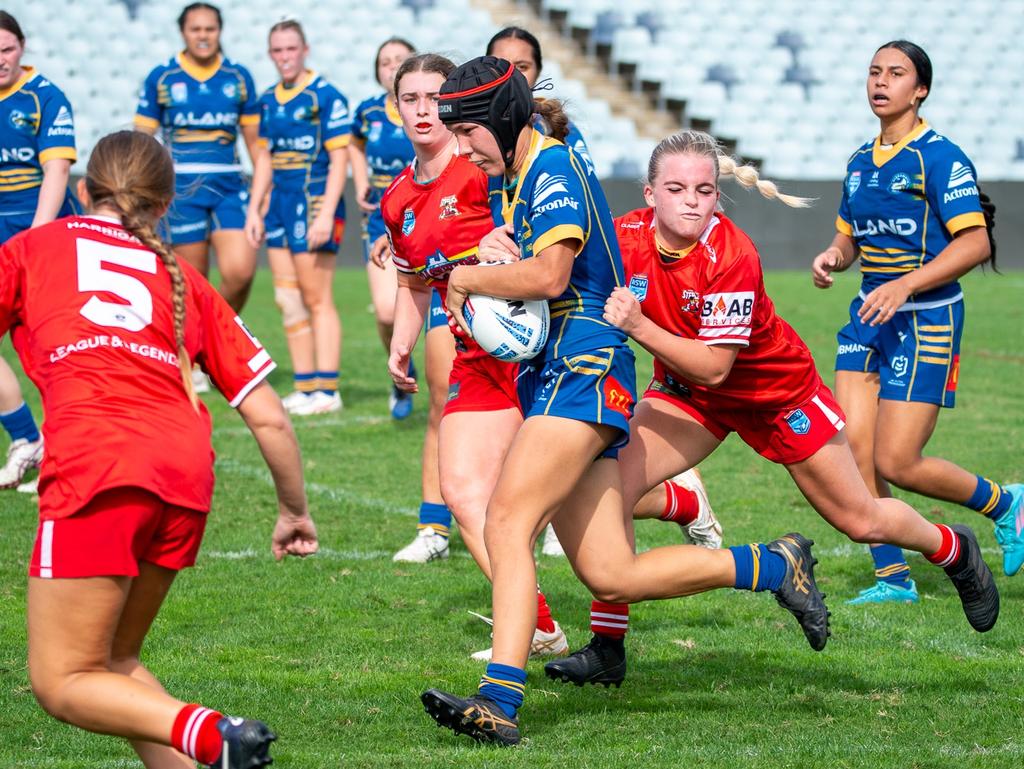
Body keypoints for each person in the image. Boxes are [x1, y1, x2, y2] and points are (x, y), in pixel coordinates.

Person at [418, 60, 838, 747]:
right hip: (564, 366)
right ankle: (772, 563)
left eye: (467, 131)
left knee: (506, 520)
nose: (462, 147)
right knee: (610, 571)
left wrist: (469, 275)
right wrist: (493, 252)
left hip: (582, 364)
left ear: (498, 117)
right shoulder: (517, 175)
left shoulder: (550, 168)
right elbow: (538, 264)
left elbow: (553, 275)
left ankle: (498, 699)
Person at [539, 129, 1001, 695]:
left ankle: (954, 549)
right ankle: (609, 648)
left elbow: (715, 366)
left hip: (776, 396)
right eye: (676, 188)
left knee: (862, 519)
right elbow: (554, 261)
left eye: (704, 190)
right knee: (607, 491)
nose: (691, 200)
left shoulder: (732, 253)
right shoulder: (623, 235)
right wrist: (499, 248)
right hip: (690, 397)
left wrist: (637, 325)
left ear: (718, 196)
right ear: (649, 193)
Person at [1, 130, 318, 769]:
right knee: (113, 663)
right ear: (165, 204)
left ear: (84, 191)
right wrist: (293, 511)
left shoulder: (32, 249)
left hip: (98, 467)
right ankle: (209, 751)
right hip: (183, 476)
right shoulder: (183, 277)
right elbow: (269, 416)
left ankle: (215, 736)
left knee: (61, 680)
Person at [811, 40, 1023, 603]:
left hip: (925, 316)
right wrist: (833, 256)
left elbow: (975, 241)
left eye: (896, 73)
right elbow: (848, 236)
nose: (880, 82)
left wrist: (906, 282)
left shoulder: (940, 156)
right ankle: (893, 577)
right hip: (868, 317)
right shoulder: (859, 161)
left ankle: (1006, 503)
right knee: (852, 450)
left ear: (920, 89)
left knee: (897, 461)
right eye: (874, 72)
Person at [380, 53, 567, 659]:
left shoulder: (488, 166)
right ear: (396, 106)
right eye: (410, 98)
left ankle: (679, 496)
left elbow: (541, 243)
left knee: (554, 496)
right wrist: (401, 340)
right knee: (464, 492)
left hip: (527, 349)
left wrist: (495, 250)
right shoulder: (398, 199)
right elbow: (414, 281)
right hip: (471, 354)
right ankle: (537, 625)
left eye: (435, 97)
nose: (423, 109)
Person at [245, 19, 350, 416]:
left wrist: (325, 211)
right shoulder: (268, 99)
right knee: (286, 298)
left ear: (304, 50)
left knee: (316, 297)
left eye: (291, 49)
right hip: (280, 208)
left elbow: (340, 160)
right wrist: (255, 208)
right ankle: (307, 388)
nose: (284, 57)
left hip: (313, 203)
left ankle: (328, 387)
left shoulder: (325, 96)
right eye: (277, 50)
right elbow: (265, 159)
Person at [134, 2, 260, 316]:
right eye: (196, 29)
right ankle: (201, 351)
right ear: (183, 32)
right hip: (181, 191)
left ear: (219, 31)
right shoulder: (162, 77)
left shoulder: (238, 76)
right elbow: (142, 140)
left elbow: (255, 143)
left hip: (229, 187)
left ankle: (215, 332)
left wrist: (263, 191)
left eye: (210, 29)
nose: (203, 36)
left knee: (241, 272)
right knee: (193, 281)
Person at [0, 11, 79, 492]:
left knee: (50, 344)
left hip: (42, 232)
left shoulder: (44, 97)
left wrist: (35, 239)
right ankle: (26, 438)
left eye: (6, 50)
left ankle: (67, 451)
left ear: (22, 48)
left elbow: (57, 171)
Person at [350, 37, 420, 420]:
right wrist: (360, 179)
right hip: (380, 217)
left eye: (399, 60)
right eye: (385, 62)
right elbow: (354, 145)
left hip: (426, 213)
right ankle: (401, 371)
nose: (392, 67)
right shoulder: (367, 112)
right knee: (385, 313)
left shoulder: (432, 109)